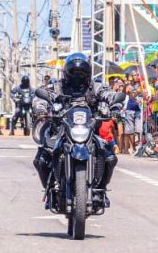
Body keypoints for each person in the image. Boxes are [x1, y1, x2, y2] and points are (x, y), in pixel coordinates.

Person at [32, 53, 118, 212]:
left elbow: (110, 94)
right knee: (41, 160)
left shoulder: (95, 86)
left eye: (81, 73)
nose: (77, 78)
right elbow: (41, 96)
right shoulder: (57, 86)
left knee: (110, 157)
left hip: (90, 130)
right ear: (67, 73)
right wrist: (40, 107)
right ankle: (50, 191)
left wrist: (115, 104)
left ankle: (101, 190)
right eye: (74, 73)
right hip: (61, 130)